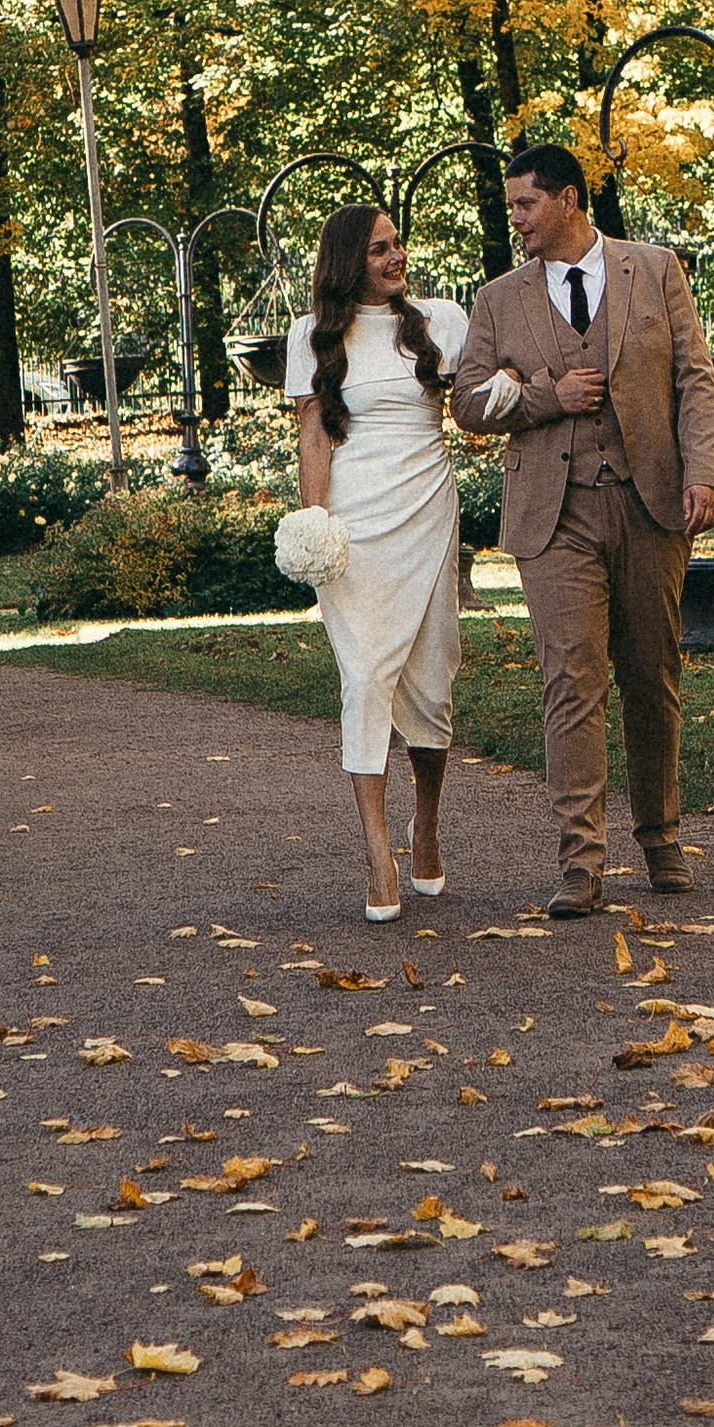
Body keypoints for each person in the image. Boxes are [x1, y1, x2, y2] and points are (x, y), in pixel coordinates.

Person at [451, 142, 714, 918]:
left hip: (651, 504)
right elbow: (468, 403)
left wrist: (704, 472)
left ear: (568, 200)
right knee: (571, 682)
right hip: (554, 513)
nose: (517, 221)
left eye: (525, 206)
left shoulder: (656, 268)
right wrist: (547, 394)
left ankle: (661, 837)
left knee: (652, 674)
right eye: (512, 208)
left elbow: (694, 380)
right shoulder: (499, 298)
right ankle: (581, 864)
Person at [285, 205, 469, 923]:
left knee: (430, 679)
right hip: (354, 528)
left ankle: (427, 822)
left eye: (397, 245)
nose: (396, 258)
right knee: (364, 677)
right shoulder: (314, 337)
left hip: (426, 509)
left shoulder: (440, 322)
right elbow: (314, 440)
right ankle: (376, 851)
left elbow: (481, 395)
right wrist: (315, 524)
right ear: (346, 263)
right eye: (379, 250)